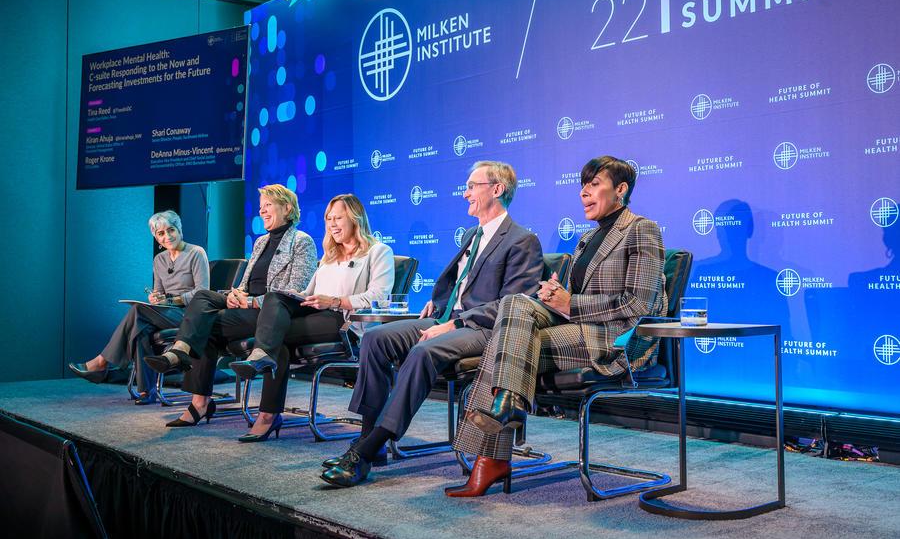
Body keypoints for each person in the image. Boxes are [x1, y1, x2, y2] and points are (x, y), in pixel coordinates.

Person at [444, 156, 668, 497]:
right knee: (515, 304)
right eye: (583, 186)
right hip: (580, 328)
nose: (584, 193)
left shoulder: (641, 229)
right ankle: (506, 401)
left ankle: (492, 453)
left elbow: (639, 304)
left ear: (621, 189)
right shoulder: (585, 239)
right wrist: (554, 297)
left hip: (617, 339)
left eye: (594, 185)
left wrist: (570, 303)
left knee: (505, 344)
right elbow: (573, 302)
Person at [320, 160, 543, 488]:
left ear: (497, 190)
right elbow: (458, 283)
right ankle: (369, 438)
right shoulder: (472, 235)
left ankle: (365, 452)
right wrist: (439, 307)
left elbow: (514, 306)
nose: (465, 193)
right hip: (448, 319)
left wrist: (455, 323)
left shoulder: (523, 241)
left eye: (472, 186)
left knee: (424, 351)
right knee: (375, 339)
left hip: (482, 330)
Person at [144, 184, 317, 426]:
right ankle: (181, 352)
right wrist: (236, 294)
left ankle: (199, 402)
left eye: (268, 205)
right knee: (203, 297)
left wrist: (251, 301)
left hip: (271, 312)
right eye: (261, 207)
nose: (263, 211)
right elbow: (246, 283)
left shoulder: (302, 242)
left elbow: (294, 291)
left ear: (287, 207)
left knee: (205, 326)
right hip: (245, 305)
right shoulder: (260, 242)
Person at [228, 194, 394, 442]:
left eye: (338, 218)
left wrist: (336, 301)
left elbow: (379, 296)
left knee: (274, 334)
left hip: (344, 323)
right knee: (276, 322)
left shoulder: (378, 251)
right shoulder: (329, 257)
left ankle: (263, 375)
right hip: (316, 316)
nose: (332, 224)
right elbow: (307, 294)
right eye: (329, 219)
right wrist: (292, 296)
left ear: (355, 219)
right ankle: (267, 412)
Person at [68, 211, 209, 405]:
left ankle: (102, 362)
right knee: (139, 328)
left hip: (189, 315)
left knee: (137, 312)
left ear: (179, 230)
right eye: (161, 233)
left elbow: (203, 293)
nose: (167, 236)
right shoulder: (159, 260)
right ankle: (146, 391)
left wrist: (173, 300)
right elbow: (159, 292)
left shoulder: (196, 253)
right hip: (165, 313)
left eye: (171, 230)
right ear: (156, 237)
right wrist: (155, 297)